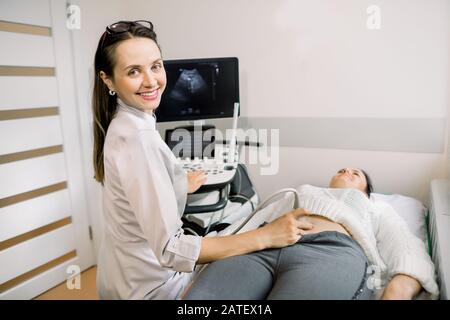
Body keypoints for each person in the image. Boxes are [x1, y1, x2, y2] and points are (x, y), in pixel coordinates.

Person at [92, 20, 314, 300]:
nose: (151, 81)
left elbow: (137, 195)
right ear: (108, 79)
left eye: (156, 66)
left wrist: (177, 183)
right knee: (258, 238)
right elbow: (170, 249)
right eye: (134, 71)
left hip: (122, 277)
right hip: (154, 289)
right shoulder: (138, 139)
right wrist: (266, 237)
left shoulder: (123, 124)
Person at [184, 168, 439, 300]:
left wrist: (399, 289)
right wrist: (202, 253)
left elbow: (405, 245)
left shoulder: (376, 207)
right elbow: (250, 224)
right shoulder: (299, 192)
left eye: (355, 173)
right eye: (342, 169)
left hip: (330, 252)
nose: (346, 172)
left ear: (366, 190)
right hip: (260, 247)